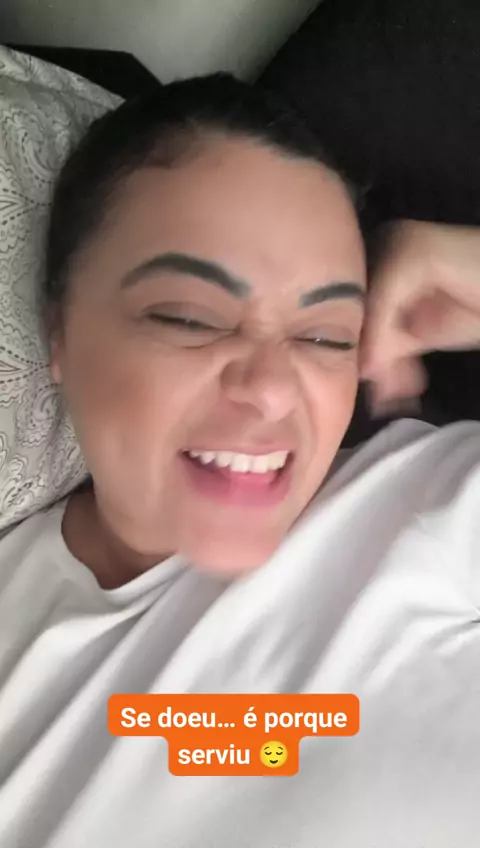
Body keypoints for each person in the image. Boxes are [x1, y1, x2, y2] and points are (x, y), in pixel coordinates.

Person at [0, 73, 479, 848]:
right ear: (59, 332)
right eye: (189, 318)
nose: (271, 389)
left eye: (325, 335)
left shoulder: (424, 508)